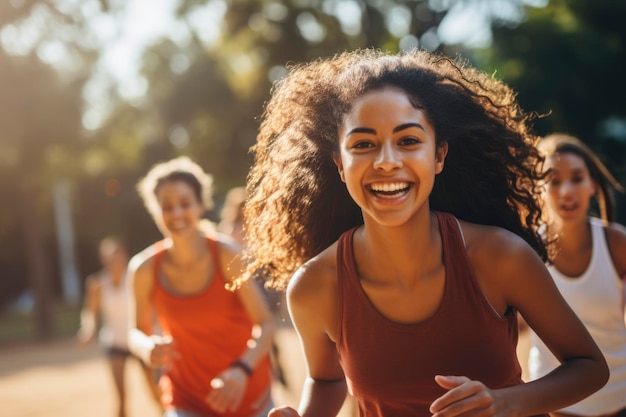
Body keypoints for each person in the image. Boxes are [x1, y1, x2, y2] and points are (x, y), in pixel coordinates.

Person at [238, 49, 609, 417]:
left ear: (439, 156)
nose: (386, 161)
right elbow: (327, 380)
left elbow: (589, 366)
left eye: (408, 141)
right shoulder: (315, 286)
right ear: (339, 164)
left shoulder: (500, 256)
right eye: (363, 144)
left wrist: (504, 402)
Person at [127, 156, 276, 417]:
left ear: (200, 205)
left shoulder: (226, 255)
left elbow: (265, 324)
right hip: (187, 399)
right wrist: (146, 347)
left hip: (248, 394)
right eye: (167, 206)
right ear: (155, 210)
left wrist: (242, 370)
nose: (176, 214)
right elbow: (136, 332)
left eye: (185, 203)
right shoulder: (144, 268)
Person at [526, 133, 626, 417]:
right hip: (556, 404)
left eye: (577, 178)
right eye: (554, 181)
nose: (566, 191)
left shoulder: (617, 244)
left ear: (592, 185)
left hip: (620, 399)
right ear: (539, 190)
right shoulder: (523, 250)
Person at [76, 236, 161, 417]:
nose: (115, 259)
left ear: (125, 255)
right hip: (115, 342)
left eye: (118, 254)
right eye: (111, 256)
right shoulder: (97, 284)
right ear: (103, 259)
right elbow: (90, 312)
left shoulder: (136, 278)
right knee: (121, 396)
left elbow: (152, 306)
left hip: (140, 340)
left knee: (156, 392)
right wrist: (87, 329)